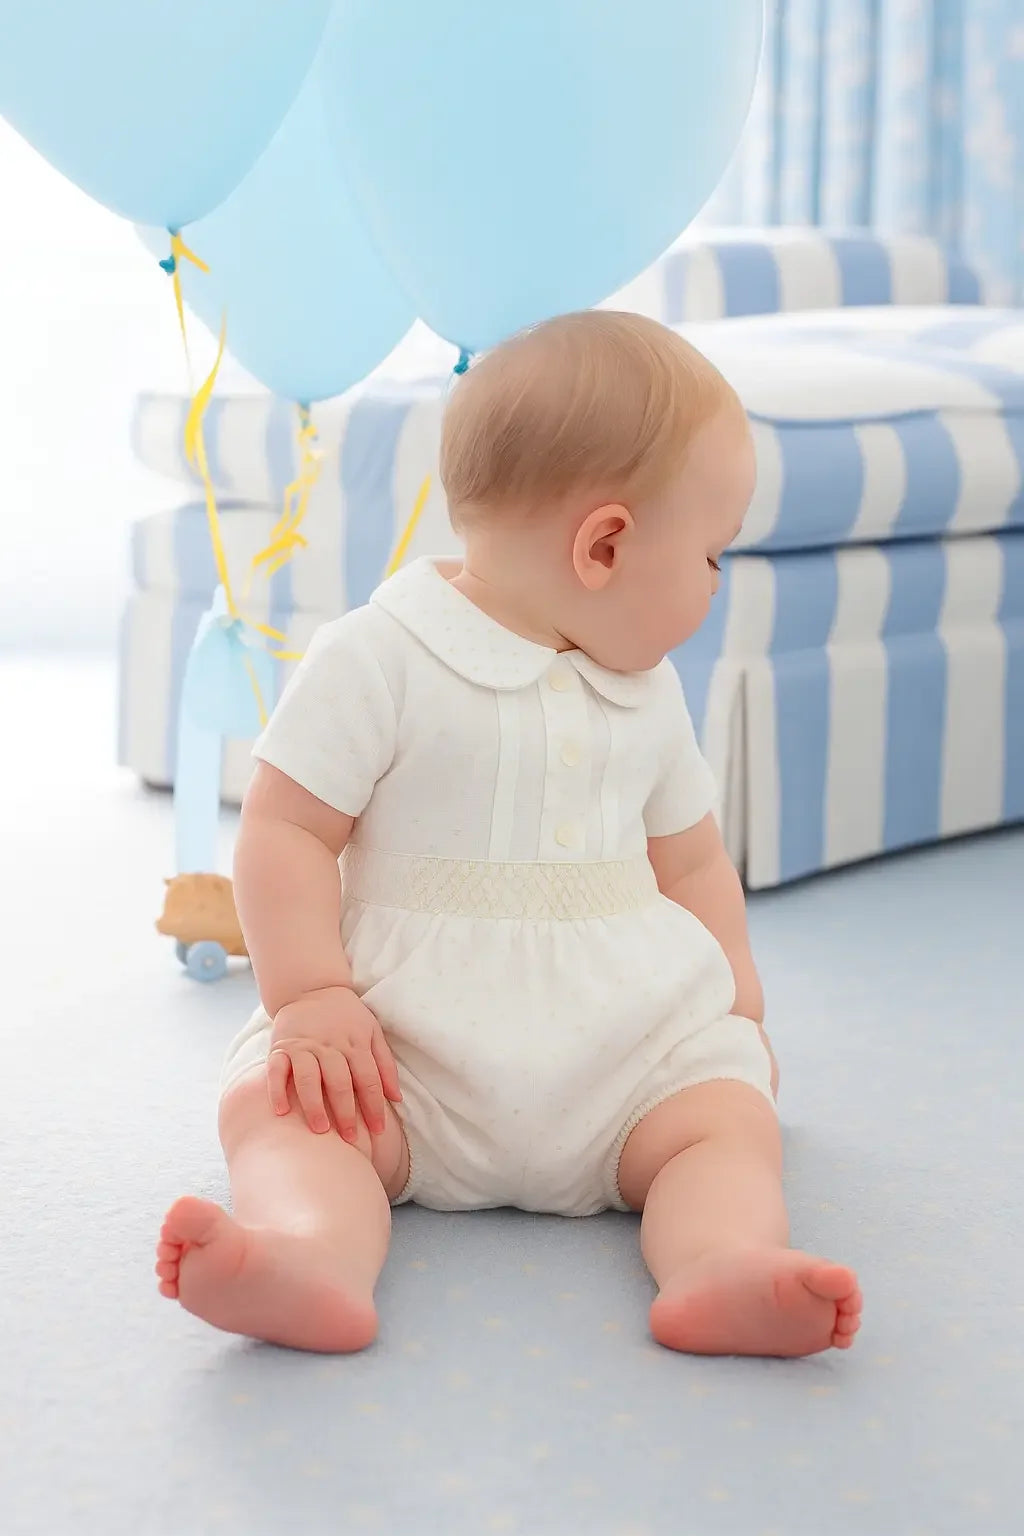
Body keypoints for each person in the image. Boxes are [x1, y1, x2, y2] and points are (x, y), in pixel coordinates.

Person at [154, 310, 861, 1357]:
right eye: (711, 554)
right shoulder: (379, 656)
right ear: (605, 544)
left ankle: (719, 1261)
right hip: (402, 1056)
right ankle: (305, 1250)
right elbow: (286, 827)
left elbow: (694, 862)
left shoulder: (647, 695)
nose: (715, 583)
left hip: (631, 1061)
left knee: (723, 1125)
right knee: (286, 1107)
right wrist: (309, 995)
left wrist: (739, 1019)